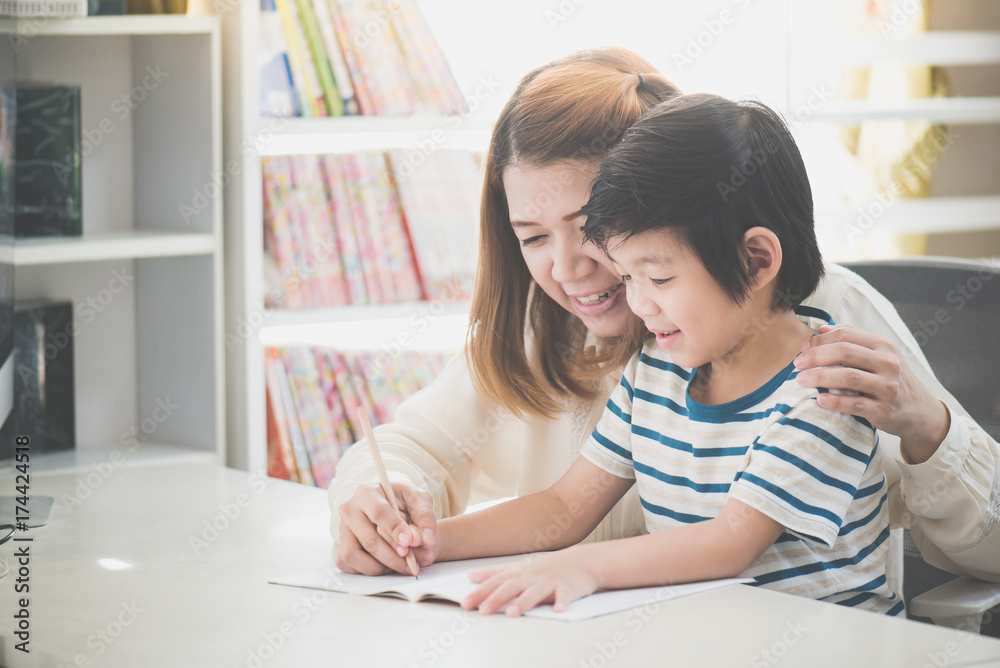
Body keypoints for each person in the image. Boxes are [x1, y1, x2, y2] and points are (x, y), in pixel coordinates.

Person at [330, 48, 1000, 587]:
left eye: (592, 225)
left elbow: (733, 543)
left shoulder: (821, 340)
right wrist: (392, 518)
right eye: (532, 236)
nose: (566, 268)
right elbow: (428, 455)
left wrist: (928, 427)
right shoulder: (584, 341)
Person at [426, 93, 901, 617]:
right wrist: (431, 541)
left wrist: (582, 566)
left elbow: (728, 543)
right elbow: (564, 507)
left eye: (659, 277)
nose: (638, 303)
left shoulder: (826, 387)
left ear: (755, 260)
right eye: (628, 276)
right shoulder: (653, 371)